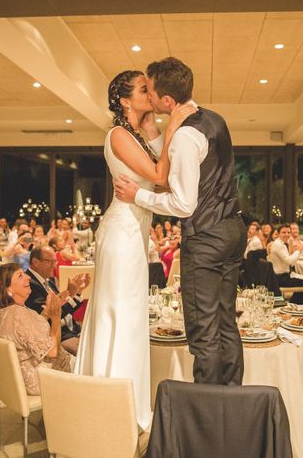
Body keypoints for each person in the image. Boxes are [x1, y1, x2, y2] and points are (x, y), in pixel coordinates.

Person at [113, 57, 247, 391]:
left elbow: (183, 203)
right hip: (233, 230)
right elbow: (192, 172)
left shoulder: (186, 137)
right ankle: (232, 398)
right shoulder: (214, 119)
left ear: (167, 101)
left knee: (203, 330)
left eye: (152, 91)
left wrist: (137, 197)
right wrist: (159, 131)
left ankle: (208, 405)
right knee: (225, 321)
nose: (150, 97)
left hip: (206, 237)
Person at [73, 67, 195, 431]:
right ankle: (112, 412)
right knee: (121, 317)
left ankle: (120, 405)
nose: (151, 94)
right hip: (122, 235)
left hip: (134, 234)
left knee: (129, 317)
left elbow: (162, 181)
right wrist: (173, 124)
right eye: (144, 90)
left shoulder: (138, 135)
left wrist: (157, 128)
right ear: (126, 100)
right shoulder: (117, 135)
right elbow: (159, 177)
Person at [0, 264, 72, 396]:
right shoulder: (19, 315)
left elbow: (27, 332)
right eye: (20, 276)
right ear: (8, 290)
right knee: (87, 365)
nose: (28, 277)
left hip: (16, 380)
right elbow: (52, 352)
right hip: (40, 380)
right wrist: (56, 317)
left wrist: (47, 312)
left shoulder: (1, 313)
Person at [25, 246, 90, 356]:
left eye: (55, 261)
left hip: (71, 329)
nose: (54, 265)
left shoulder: (47, 280)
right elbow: (52, 316)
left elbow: (62, 308)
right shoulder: (29, 284)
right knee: (88, 354)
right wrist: (71, 294)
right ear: (36, 262)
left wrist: (77, 293)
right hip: (59, 335)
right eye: (50, 261)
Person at [269, 223, 303, 302]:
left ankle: (295, 302)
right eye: (284, 232)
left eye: (288, 232)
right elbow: (290, 262)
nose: (287, 234)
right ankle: (300, 304)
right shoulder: (279, 245)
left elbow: (291, 263)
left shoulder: (281, 243)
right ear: (278, 234)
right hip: (280, 278)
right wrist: (299, 250)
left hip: (280, 276)